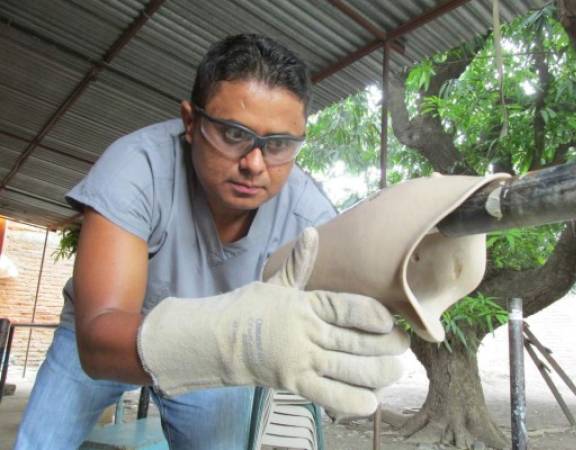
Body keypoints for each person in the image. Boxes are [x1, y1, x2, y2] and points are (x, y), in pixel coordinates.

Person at [14, 34, 408, 450]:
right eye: (234, 134)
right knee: (38, 443)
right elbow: (97, 345)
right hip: (116, 336)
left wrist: (419, 259)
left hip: (215, 351)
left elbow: (362, 292)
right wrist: (243, 340)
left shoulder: (307, 214)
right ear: (190, 122)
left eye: (277, 145)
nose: (254, 164)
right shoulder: (135, 168)